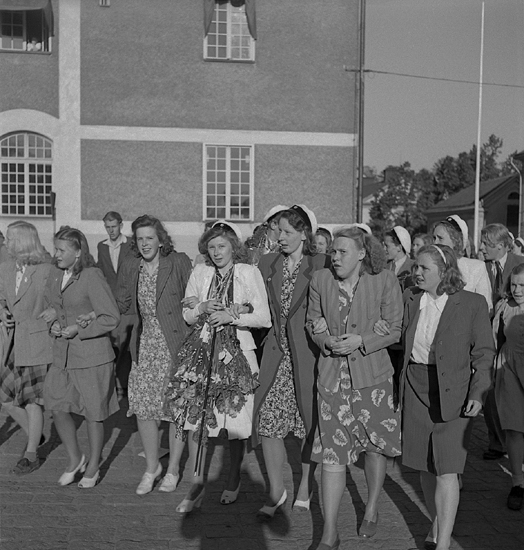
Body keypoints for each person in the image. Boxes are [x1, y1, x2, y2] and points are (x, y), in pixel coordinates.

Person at [164, 221, 271, 512]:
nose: (216, 252)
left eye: (222, 246)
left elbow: (264, 317)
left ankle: (234, 476)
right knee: (196, 419)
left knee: (234, 421)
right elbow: (187, 314)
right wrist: (201, 307)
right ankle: (196, 483)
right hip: (203, 352)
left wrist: (231, 316)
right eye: (211, 247)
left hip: (238, 353)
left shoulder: (249, 272)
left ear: (233, 247)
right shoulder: (200, 272)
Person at [307, 226, 403, 548]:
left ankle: (372, 507)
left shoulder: (384, 280)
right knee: (332, 457)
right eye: (333, 251)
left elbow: (395, 329)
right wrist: (324, 339)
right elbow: (312, 322)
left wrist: (363, 340)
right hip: (333, 381)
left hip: (372, 381)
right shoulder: (321, 281)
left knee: (375, 447)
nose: (334, 257)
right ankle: (329, 533)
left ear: (362, 254)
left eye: (342, 251)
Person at [400, 244, 494, 550]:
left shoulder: (471, 303)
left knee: (447, 467)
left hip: (454, 393)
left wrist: (478, 393)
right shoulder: (411, 298)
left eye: (424, 268)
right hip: (417, 387)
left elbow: (483, 354)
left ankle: (442, 544)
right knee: (425, 465)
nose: (417, 272)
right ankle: (437, 521)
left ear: (445, 271)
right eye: (416, 266)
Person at [253, 204, 330, 518]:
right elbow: (253, 302)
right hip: (275, 355)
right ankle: (275, 490)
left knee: (307, 426)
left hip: (308, 356)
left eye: (287, 232)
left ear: (304, 234)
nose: (280, 237)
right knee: (267, 422)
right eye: (278, 231)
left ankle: (305, 486)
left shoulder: (321, 264)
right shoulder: (268, 263)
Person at [116, 214, 192, 495]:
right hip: (145, 343)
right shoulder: (131, 265)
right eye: (140, 239)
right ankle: (152, 467)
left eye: (150, 238)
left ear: (161, 240)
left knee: (175, 409)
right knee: (144, 407)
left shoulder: (178, 261)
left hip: (175, 343)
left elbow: (191, 298)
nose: (145, 243)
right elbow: (123, 304)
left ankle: (172, 468)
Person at [43, 227, 120, 488]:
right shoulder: (55, 274)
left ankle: (94, 466)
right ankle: (76, 458)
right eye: (55, 249)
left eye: (61, 250)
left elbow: (110, 317)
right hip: (62, 355)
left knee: (93, 414)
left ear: (78, 252)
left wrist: (79, 328)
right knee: (56, 405)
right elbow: (54, 306)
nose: (56, 255)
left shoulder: (92, 276)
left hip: (92, 356)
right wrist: (52, 323)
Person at [0, 221, 53, 475]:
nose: (6, 243)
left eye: (10, 238)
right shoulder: (5, 268)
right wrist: (3, 313)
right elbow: (2, 299)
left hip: (37, 340)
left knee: (33, 401)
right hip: (14, 341)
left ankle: (31, 454)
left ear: (23, 241)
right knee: (6, 398)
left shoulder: (45, 270)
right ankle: (37, 434)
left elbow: (57, 301)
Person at [479, 223, 524, 461]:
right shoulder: (481, 267)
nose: (481, 248)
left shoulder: (518, 262)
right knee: (489, 389)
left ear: (500, 246)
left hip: (515, 333)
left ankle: (513, 442)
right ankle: (496, 441)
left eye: (486, 244)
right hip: (492, 332)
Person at [492, 263, 524, 511]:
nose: (517, 289)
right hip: (509, 369)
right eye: (513, 284)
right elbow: (496, 341)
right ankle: (517, 483)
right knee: (514, 427)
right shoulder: (505, 307)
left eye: (523, 285)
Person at [96, 211, 136, 398]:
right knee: (114, 344)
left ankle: (125, 386)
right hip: (110, 303)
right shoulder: (102, 247)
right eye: (107, 227)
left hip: (128, 302)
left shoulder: (130, 244)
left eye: (113, 226)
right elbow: (102, 273)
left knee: (127, 344)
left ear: (120, 225)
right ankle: (117, 385)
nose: (111, 231)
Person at [432, 216, 492, 311]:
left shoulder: (476, 268)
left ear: (456, 241)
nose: (435, 242)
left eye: (440, 238)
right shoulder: (429, 266)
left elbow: (485, 307)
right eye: (434, 238)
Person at [384, 226, 413, 291]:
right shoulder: (383, 267)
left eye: (387, 246)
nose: (384, 249)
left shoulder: (413, 268)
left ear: (399, 247)